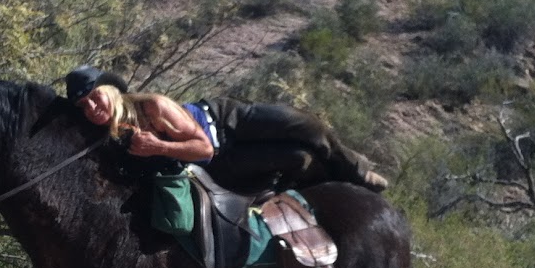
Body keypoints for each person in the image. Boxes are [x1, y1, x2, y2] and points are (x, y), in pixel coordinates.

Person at [63, 66, 387, 193]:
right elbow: (205, 156)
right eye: (84, 107)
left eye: (95, 97)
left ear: (110, 89)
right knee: (297, 158)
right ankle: (339, 190)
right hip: (218, 165)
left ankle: (357, 172)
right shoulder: (109, 138)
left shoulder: (152, 107)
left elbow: (200, 143)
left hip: (225, 120)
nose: (93, 108)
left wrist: (158, 146)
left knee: (308, 126)